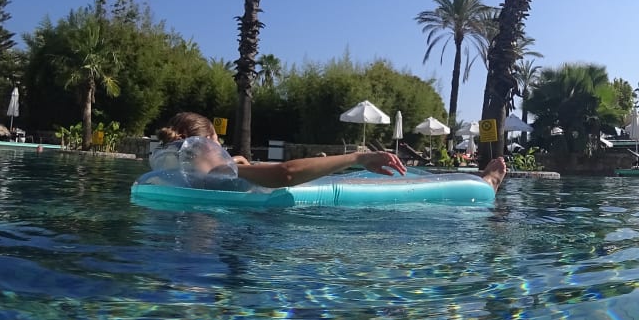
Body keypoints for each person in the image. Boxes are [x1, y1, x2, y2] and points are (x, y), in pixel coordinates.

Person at [154, 112, 505, 192]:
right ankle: (483, 183)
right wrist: (358, 157)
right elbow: (285, 174)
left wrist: (239, 164)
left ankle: (479, 178)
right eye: (219, 142)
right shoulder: (218, 172)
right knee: (378, 183)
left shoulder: (183, 176)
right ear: (206, 143)